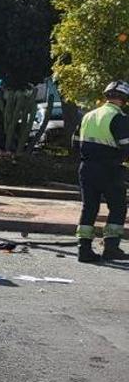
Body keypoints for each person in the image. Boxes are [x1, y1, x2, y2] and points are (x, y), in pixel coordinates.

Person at [74, 80, 129, 263]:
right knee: (118, 206)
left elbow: (74, 142)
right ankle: (111, 247)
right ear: (124, 99)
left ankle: (84, 248)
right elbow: (126, 147)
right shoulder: (119, 118)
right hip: (110, 169)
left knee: (89, 207)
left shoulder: (88, 116)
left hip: (86, 168)